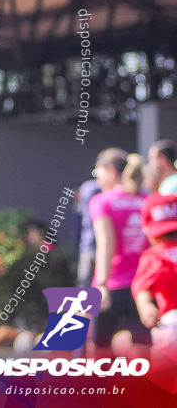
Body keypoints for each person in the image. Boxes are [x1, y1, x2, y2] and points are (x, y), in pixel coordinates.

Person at [89, 149, 151, 358]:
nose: (98, 179)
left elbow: (106, 244)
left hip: (113, 283)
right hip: (143, 286)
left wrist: (101, 284)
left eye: (98, 173)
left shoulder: (102, 201)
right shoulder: (148, 199)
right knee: (143, 350)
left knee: (101, 353)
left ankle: (104, 391)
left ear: (112, 172)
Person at [132, 192, 177, 354]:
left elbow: (142, 288)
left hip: (170, 324)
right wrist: (145, 307)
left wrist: (145, 307)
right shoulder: (154, 257)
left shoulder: (153, 256)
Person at [76, 177, 101, 287]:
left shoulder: (88, 188)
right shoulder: (90, 188)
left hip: (89, 245)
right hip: (92, 244)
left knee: (85, 285)